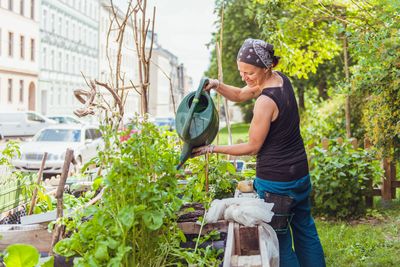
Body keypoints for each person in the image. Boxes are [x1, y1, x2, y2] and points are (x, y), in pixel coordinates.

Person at [192, 38, 326, 267]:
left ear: (266, 67)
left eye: (250, 72)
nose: (245, 77)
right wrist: (216, 85)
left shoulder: (265, 102)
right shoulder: (280, 80)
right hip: (299, 174)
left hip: (277, 184)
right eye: (241, 71)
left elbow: (252, 147)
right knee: (305, 229)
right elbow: (239, 95)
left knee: (280, 241)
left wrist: (212, 148)